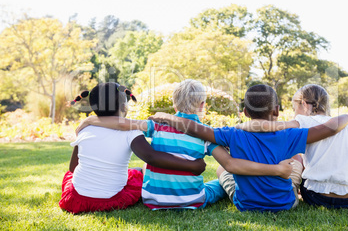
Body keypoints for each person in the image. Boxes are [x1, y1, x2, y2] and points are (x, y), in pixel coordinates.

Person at [76, 80, 294, 210]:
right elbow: (228, 163)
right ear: (202, 105)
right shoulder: (206, 134)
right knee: (218, 181)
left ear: (173, 103)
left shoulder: (156, 125)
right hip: (193, 200)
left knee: (145, 169)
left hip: (152, 200)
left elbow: (123, 123)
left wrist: (91, 120)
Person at [148, 84, 348, 212]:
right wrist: (347, 117)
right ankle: (291, 188)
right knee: (296, 159)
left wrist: (168, 117)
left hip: (246, 203)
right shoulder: (290, 134)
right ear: (276, 110)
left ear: (245, 113)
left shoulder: (232, 133)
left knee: (223, 169)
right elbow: (330, 128)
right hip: (285, 204)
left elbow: (199, 130)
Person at [59, 82, 208, 214]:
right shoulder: (131, 131)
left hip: (76, 199)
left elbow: (72, 168)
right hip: (112, 199)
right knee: (138, 174)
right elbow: (151, 157)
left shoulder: (85, 129)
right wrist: (192, 165)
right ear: (124, 107)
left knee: (134, 171)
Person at [239, 84, 348, 209]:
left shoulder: (303, 121)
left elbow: (268, 126)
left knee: (296, 157)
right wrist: (347, 117)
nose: (294, 114)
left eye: (294, 109)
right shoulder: (346, 126)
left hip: (316, 197)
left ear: (303, 104)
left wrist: (239, 127)